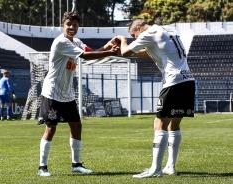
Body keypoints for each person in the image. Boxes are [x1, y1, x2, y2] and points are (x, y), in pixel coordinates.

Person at [37, 11, 120, 177]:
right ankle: (42, 167)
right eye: (68, 24)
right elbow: (86, 56)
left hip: (67, 94)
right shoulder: (61, 42)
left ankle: (76, 164)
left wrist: (108, 45)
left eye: (75, 25)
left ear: (78, 27)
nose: (71, 27)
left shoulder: (76, 41)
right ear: (62, 26)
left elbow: (93, 51)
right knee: (51, 128)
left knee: (76, 125)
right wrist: (111, 52)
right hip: (52, 92)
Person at [117, 18, 195, 178]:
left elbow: (125, 52)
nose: (134, 38)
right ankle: (170, 167)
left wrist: (122, 40)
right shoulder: (167, 30)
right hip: (187, 80)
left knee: (159, 123)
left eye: (133, 35)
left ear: (139, 27)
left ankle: (155, 169)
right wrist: (135, 50)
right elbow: (151, 52)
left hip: (173, 81)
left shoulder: (149, 33)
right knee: (174, 125)